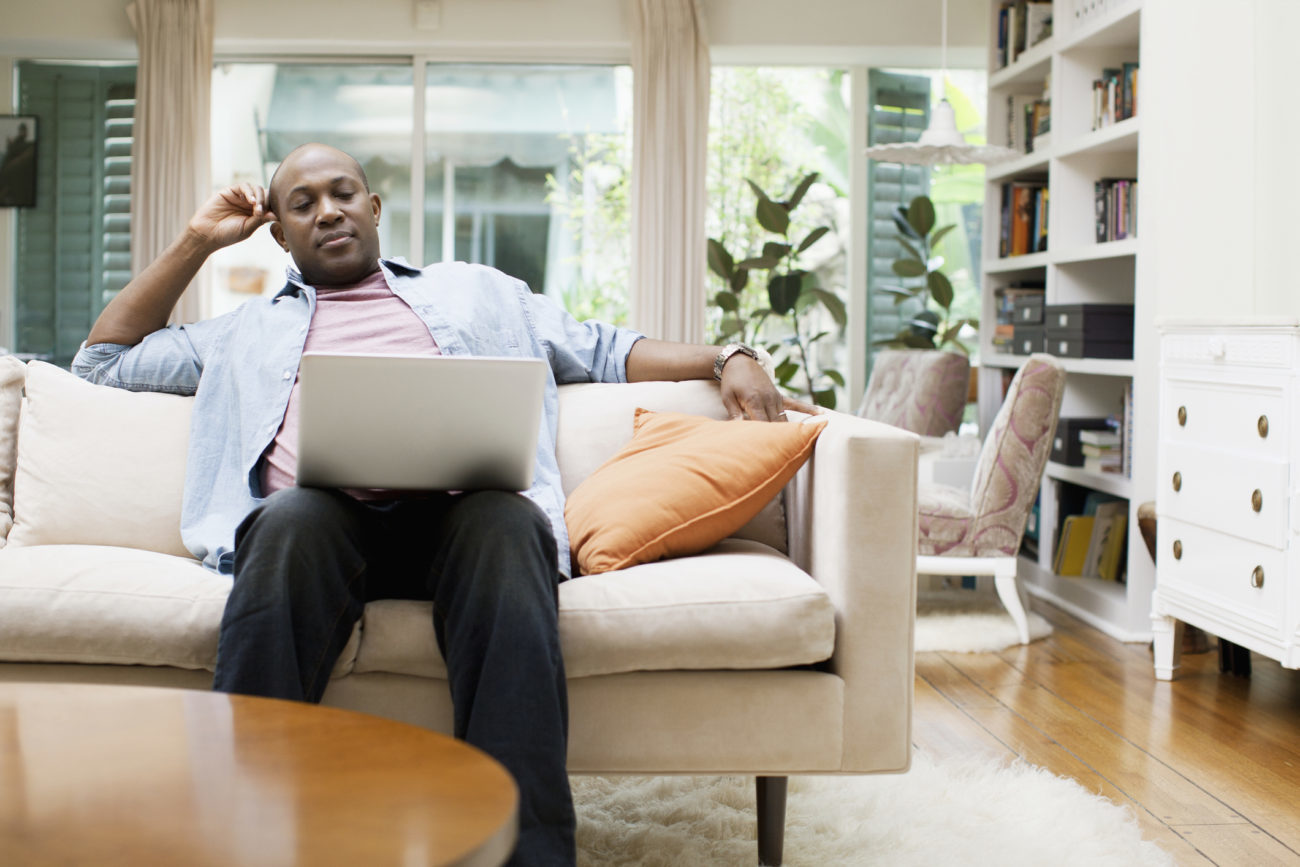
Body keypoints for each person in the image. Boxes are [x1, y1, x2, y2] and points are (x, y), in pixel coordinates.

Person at [73, 142, 801, 866]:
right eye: (302, 203)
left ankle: (526, 853)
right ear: (279, 233)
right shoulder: (241, 332)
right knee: (287, 519)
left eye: (343, 193)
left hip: (465, 525)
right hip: (322, 531)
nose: (328, 210)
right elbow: (101, 364)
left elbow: (607, 348)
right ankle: (234, 840)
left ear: (374, 207)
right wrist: (197, 242)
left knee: (508, 518)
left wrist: (725, 355)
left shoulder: (475, 292)